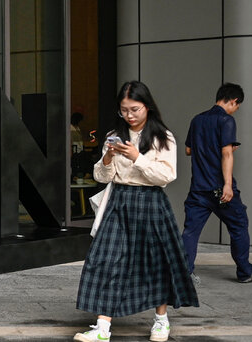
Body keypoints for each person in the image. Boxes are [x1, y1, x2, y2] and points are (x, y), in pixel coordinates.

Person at [74, 81, 197, 342]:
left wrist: (137, 157)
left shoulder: (162, 137)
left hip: (150, 202)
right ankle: (102, 328)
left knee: (156, 261)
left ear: (147, 107)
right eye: (124, 110)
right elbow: (101, 176)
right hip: (119, 201)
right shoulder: (114, 134)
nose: (129, 115)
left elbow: (166, 176)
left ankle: (161, 321)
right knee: (106, 260)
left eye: (134, 109)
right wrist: (108, 158)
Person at [181, 83, 252, 285]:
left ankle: (184, 275)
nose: (236, 110)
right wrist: (228, 185)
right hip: (220, 189)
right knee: (239, 224)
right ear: (234, 101)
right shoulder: (226, 120)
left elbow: (188, 150)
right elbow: (226, 154)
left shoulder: (197, 119)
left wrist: (210, 148)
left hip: (198, 189)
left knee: (190, 232)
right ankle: (245, 271)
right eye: (237, 106)